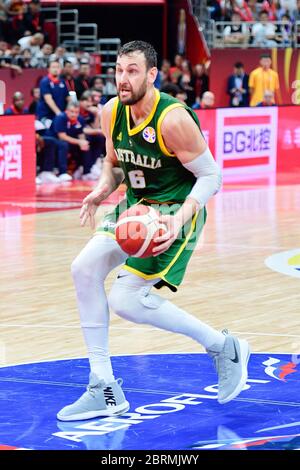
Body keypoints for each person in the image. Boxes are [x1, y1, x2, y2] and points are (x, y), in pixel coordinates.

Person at [57, 41, 250, 422]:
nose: (122, 79)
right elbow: (113, 164)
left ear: (151, 75)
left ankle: (222, 347)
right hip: (136, 207)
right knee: (83, 269)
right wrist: (100, 190)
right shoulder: (111, 111)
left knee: (126, 300)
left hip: (176, 211)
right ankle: (104, 386)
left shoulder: (173, 119)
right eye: (117, 70)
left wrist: (178, 219)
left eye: (131, 71)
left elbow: (211, 176)